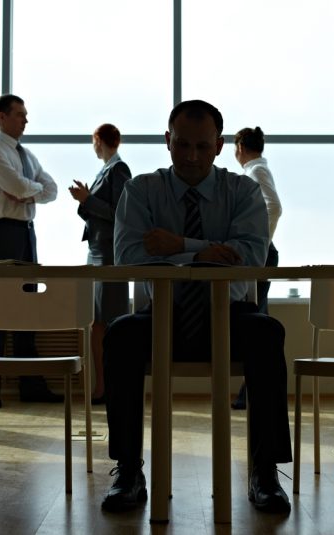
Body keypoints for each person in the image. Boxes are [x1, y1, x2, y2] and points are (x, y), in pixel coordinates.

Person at [101, 100, 292, 514]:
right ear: (167, 141)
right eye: (182, 145)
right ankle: (128, 469)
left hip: (231, 316)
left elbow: (252, 257)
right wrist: (211, 253)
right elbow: (129, 256)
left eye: (202, 147)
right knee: (119, 335)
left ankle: (265, 472)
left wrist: (178, 246)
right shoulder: (142, 190)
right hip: (160, 316)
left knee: (268, 332)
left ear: (219, 146)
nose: (191, 156)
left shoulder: (242, 190)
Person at [0, 94, 61, 408]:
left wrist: (30, 192)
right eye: (20, 114)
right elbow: (20, 188)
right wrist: (30, 190)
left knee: (28, 310)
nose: (26, 119)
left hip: (26, 233)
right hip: (2, 233)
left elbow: (51, 190)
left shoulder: (26, 154)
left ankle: (31, 385)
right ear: (2, 117)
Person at [68, 123, 131, 404]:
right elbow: (98, 214)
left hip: (107, 254)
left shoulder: (118, 169)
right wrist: (86, 201)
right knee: (98, 323)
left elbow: (120, 212)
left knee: (105, 324)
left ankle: (106, 386)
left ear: (98, 140)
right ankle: (104, 385)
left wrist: (88, 199)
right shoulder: (107, 170)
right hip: (97, 251)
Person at [231, 126, 282, 410]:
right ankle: (250, 392)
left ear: (240, 147)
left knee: (256, 319)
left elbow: (274, 206)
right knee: (258, 318)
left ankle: (252, 392)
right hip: (262, 252)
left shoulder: (256, 172)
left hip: (261, 254)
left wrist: (260, 242)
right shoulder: (258, 170)